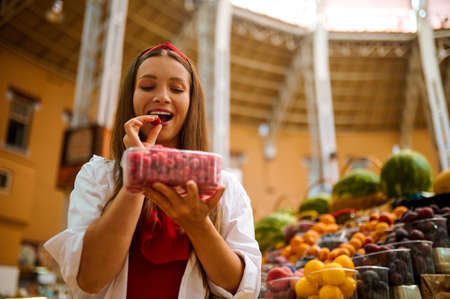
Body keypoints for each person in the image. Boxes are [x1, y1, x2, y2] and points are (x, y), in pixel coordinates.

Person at [44, 42, 261, 299]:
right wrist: (138, 171)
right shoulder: (97, 176)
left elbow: (241, 288)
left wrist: (198, 225)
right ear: (131, 98)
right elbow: (90, 278)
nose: (162, 96)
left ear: (192, 103)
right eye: (147, 86)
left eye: (177, 89)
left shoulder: (224, 186)